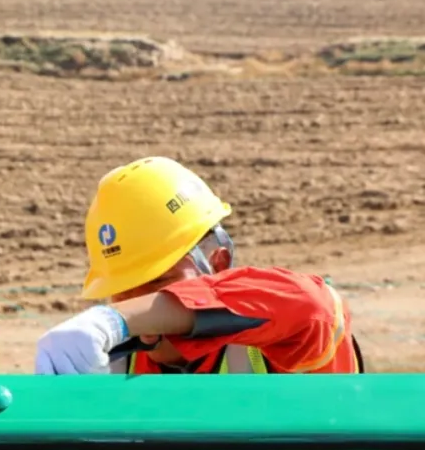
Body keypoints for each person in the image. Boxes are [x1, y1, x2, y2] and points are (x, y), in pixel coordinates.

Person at [35, 156, 364, 375]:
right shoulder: (115, 367)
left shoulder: (276, 342)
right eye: (121, 293)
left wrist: (116, 320)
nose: (137, 309)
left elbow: (313, 306)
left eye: (156, 283)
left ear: (218, 263)